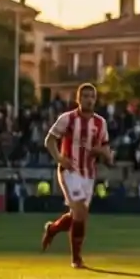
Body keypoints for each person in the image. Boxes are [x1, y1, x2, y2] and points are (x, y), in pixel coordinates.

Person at [40, 82, 112, 268]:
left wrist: (104, 154)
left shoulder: (101, 123)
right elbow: (49, 140)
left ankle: (53, 228)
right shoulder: (68, 119)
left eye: (92, 97)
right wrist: (59, 158)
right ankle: (76, 259)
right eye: (85, 96)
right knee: (80, 213)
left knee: (78, 215)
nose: (89, 100)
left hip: (89, 174)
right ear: (78, 99)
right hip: (69, 171)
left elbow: (106, 149)